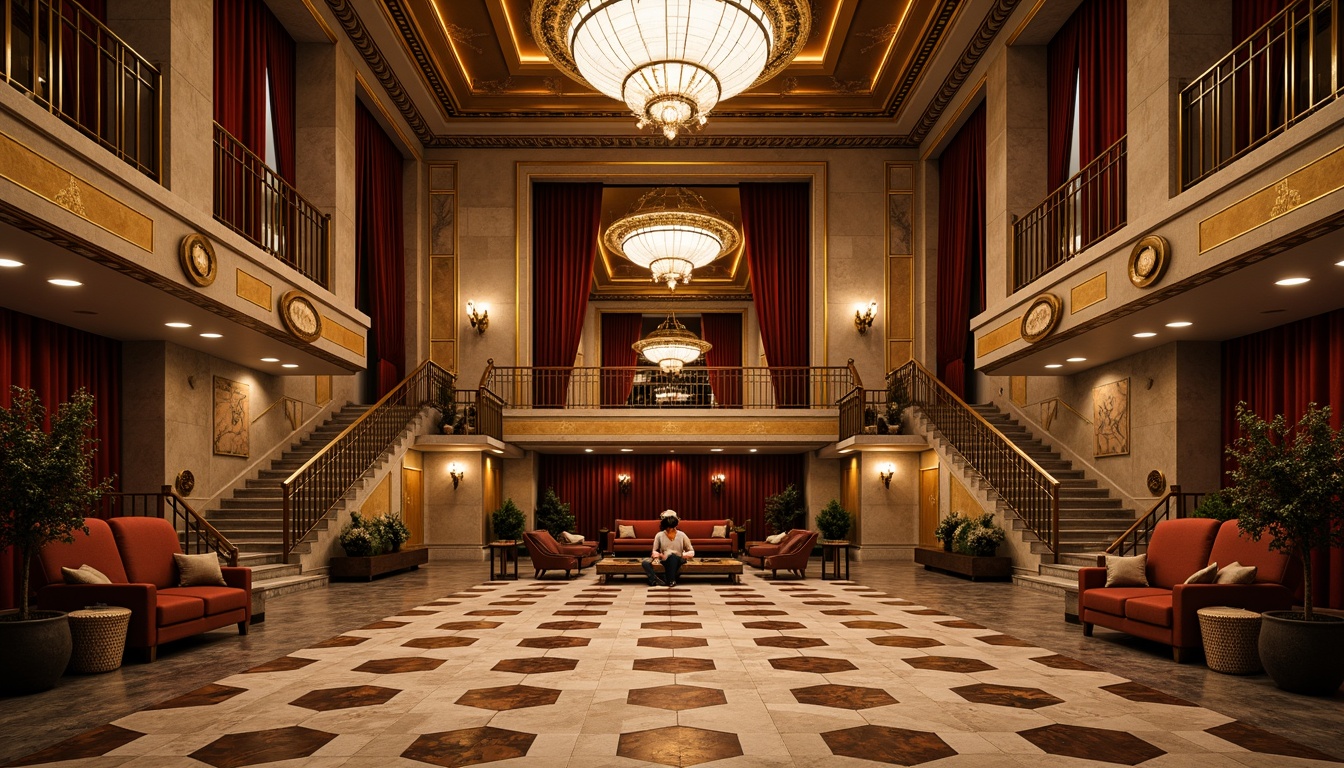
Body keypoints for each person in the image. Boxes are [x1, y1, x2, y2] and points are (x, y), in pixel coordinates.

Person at [641, 514, 694, 587]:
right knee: (645, 562)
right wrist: (658, 555)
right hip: (664, 558)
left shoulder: (682, 535)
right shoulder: (659, 535)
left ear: (675, 526)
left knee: (672, 557)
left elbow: (692, 552)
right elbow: (654, 551)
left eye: (671, 528)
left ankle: (669, 580)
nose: (669, 530)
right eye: (667, 528)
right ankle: (656, 578)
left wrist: (682, 555)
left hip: (678, 558)